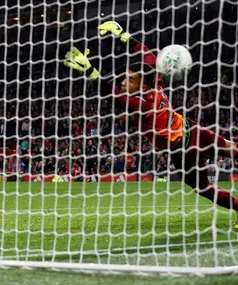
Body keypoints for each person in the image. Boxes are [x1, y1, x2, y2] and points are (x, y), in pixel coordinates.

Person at [63, 21, 238, 225]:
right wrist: (124, 36)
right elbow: (147, 55)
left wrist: (92, 73)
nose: (122, 82)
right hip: (194, 130)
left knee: (205, 188)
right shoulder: (155, 82)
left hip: (183, 151)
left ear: (142, 84)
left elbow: (116, 97)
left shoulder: (143, 104)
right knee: (232, 149)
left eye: (129, 80)